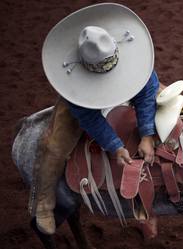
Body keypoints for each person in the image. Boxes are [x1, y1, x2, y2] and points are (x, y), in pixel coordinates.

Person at [31, 3, 158, 235]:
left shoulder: (128, 57)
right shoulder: (74, 89)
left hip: (126, 88)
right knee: (54, 147)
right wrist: (115, 147)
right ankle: (43, 202)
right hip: (82, 97)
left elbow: (147, 91)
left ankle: (148, 202)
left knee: (170, 116)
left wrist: (147, 133)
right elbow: (90, 118)